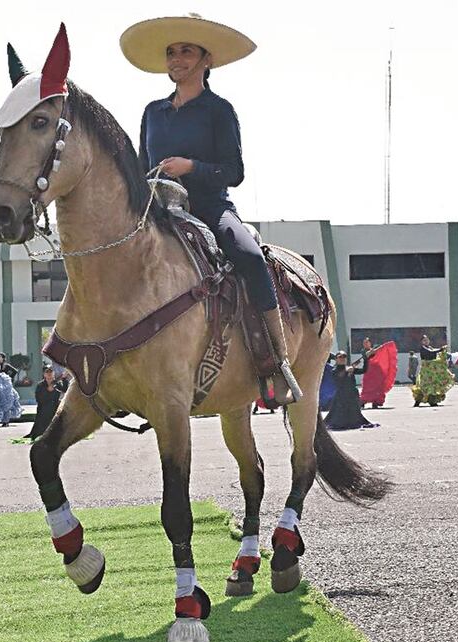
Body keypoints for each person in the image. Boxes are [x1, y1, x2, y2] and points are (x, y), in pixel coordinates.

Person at [123, 14, 301, 406]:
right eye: (171, 52)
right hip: (159, 212)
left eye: (186, 51)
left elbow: (234, 172)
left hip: (209, 207)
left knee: (249, 256)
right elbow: (139, 168)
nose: (177, 59)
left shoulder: (219, 110)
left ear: (207, 59)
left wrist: (191, 167)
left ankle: (278, 360)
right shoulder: (152, 112)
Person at [323, 352, 378, 430]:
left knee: (355, 414)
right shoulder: (334, 370)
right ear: (336, 359)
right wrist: (347, 371)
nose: (342, 358)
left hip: (352, 395)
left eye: (344, 356)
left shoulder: (350, 368)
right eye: (340, 357)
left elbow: (364, 370)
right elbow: (339, 377)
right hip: (341, 397)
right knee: (338, 417)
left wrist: (366, 359)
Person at [411, 335, 455, 407]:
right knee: (425, 385)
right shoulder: (423, 348)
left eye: (427, 340)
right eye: (424, 340)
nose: (426, 341)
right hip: (426, 370)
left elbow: (434, 351)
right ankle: (419, 401)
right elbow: (430, 352)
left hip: (432, 369)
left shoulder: (430, 347)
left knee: (433, 384)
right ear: (421, 342)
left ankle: (431, 401)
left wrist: (442, 350)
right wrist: (440, 349)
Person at [27, 366, 69, 439]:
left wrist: (64, 378)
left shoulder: (57, 383)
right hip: (44, 408)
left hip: (55, 407)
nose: (50, 378)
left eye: (51, 376)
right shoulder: (40, 385)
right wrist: (48, 391)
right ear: (45, 375)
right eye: (48, 376)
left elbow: (65, 389)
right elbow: (38, 399)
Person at [359, 338, 397, 409]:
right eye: (364, 343)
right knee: (367, 387)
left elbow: (377, 353)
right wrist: (380, 348)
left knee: (377, 387)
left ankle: (375, 402)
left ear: (370, 343)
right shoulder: (363, 351)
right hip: (368, 371)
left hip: (377, 371)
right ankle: (363, 402)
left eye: (367, 342)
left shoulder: (374, 349)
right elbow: (368, 354)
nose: (365, 344)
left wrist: (382, 348)